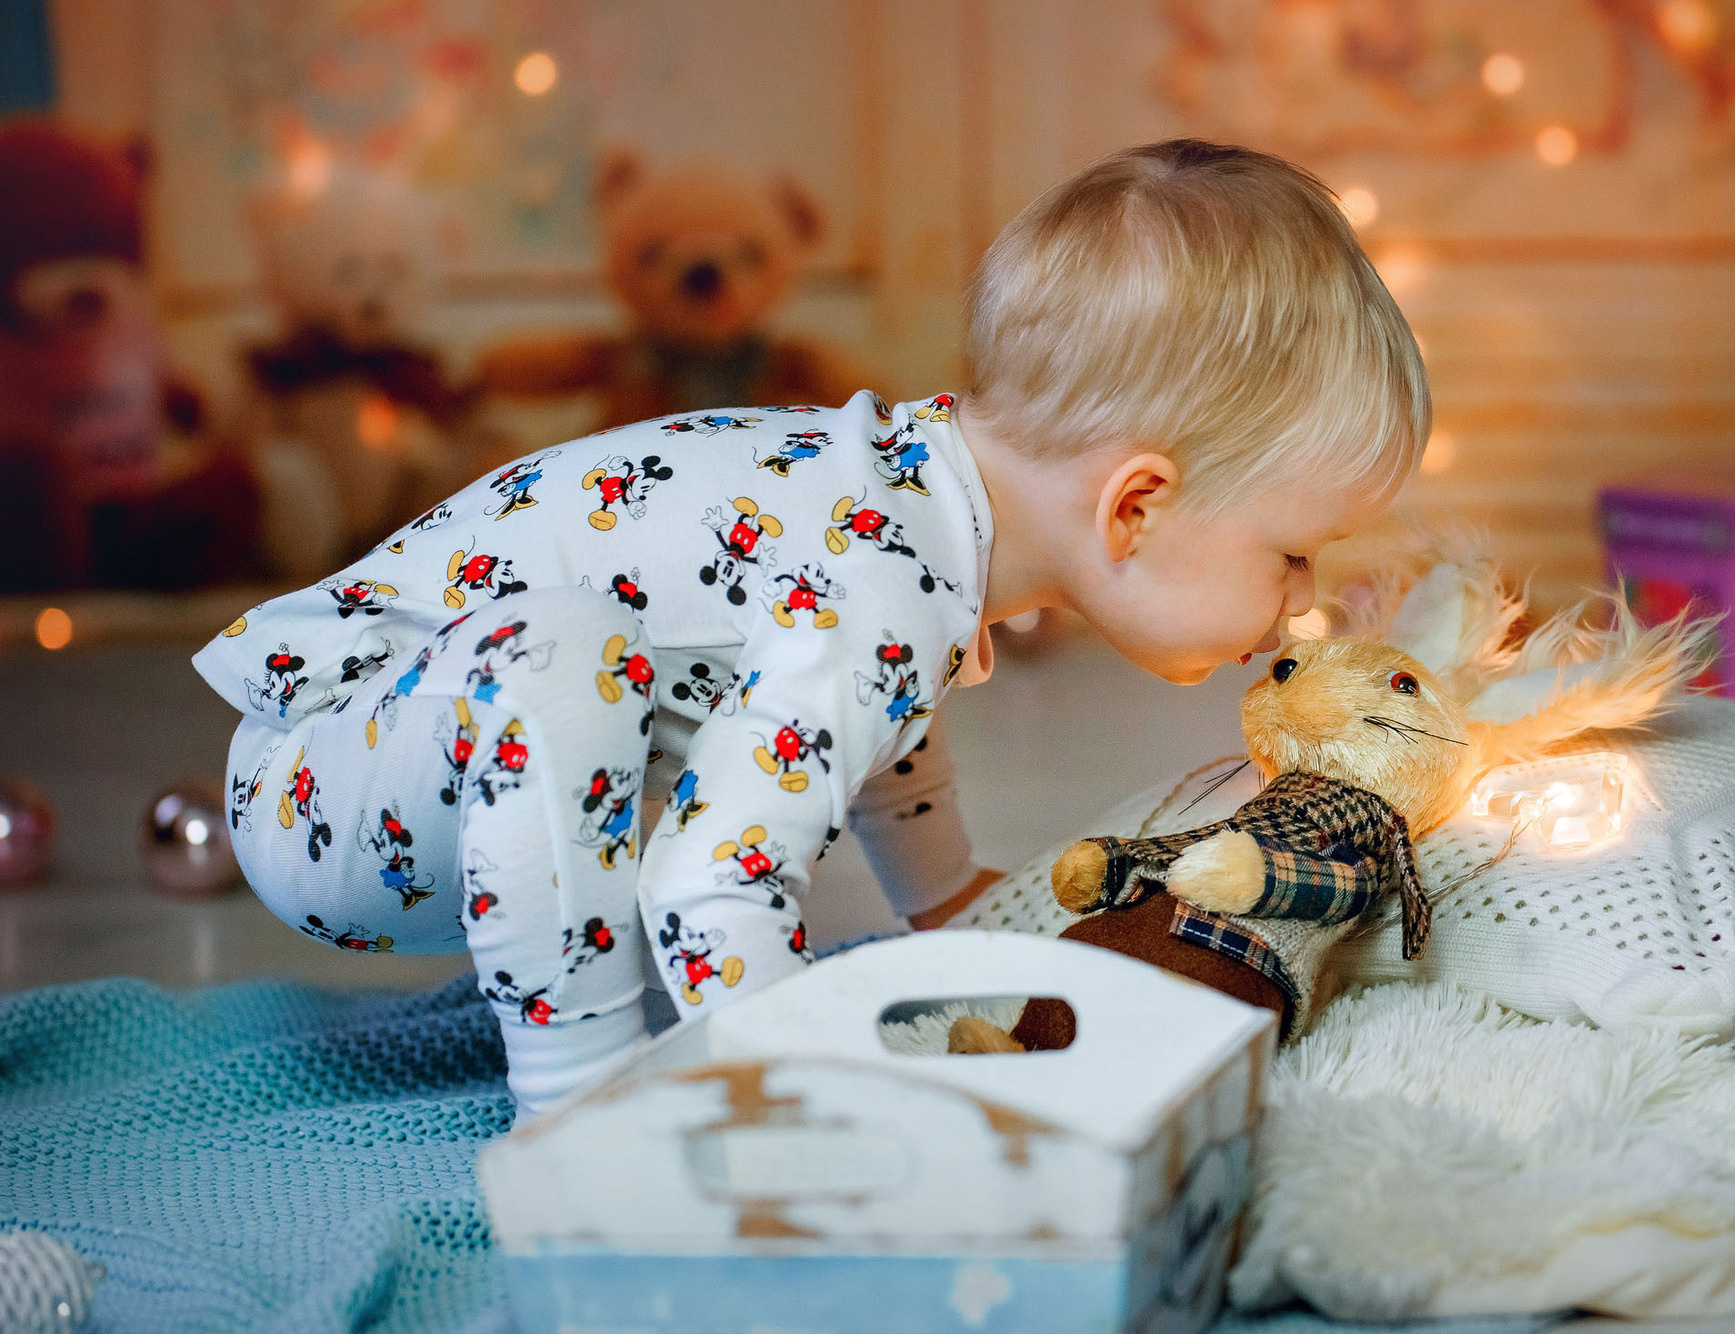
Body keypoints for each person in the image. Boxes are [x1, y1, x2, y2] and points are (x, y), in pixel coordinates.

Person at [195, 139, 1430, 1120]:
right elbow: (711, 879)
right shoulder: (883, 578)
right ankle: (578, 1100)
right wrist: (815, 1087)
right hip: (333, 769)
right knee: (564, 660)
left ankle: (599, 1042)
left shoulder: (903, 512)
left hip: (413, 757)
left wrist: (941, 895)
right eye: (1289, 552)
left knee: (596, 670)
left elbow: (869, 707)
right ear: (1137, 504)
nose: (1296, 602)